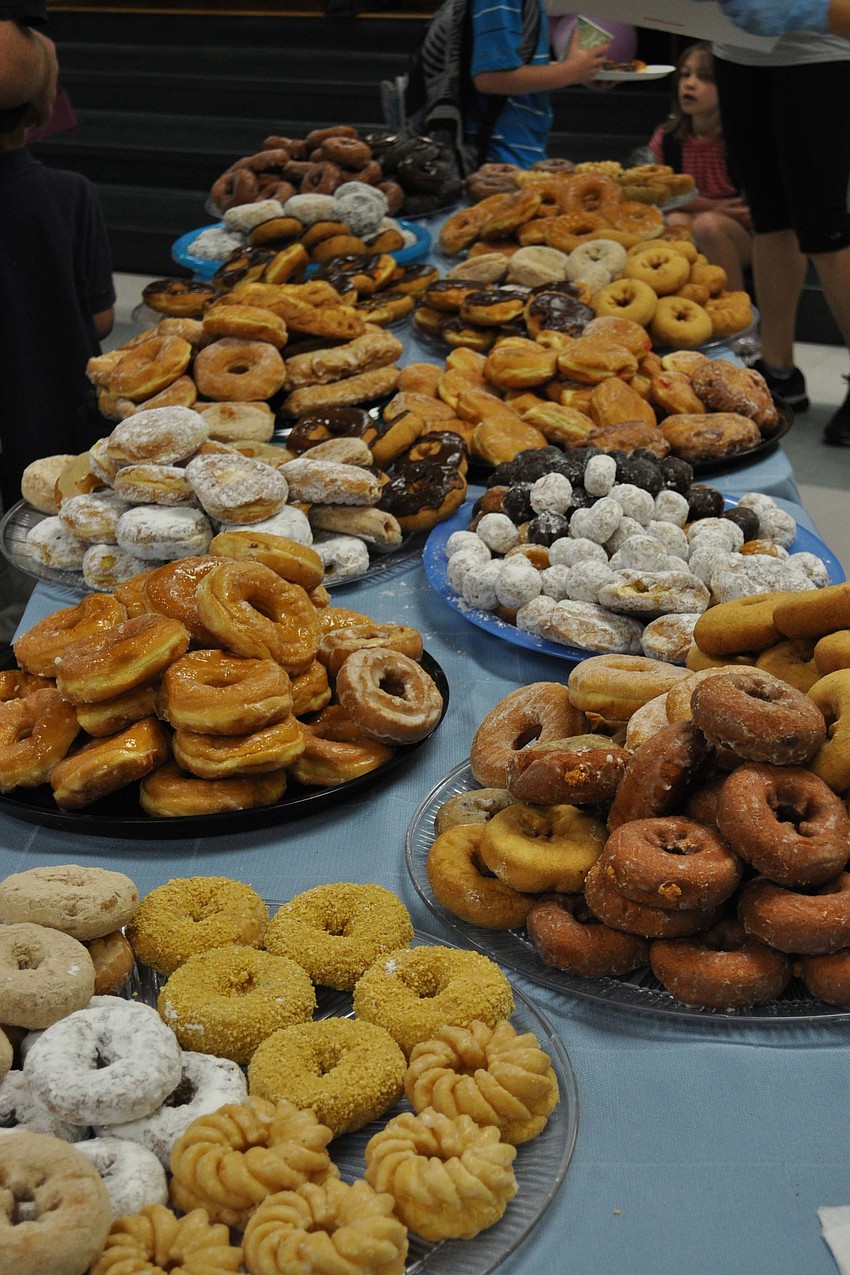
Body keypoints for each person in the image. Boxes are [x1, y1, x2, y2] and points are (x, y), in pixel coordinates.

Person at [0, 35, 115, 628]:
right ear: (41, 108)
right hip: (52, 411)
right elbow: (101, 319)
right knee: (48, 545)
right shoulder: (71, 194)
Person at [710, 28, 850, 443]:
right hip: (737, 50)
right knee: (770, 220)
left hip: (819, 53)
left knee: (826, 228)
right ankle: (779, 370)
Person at [646, 42, 751, 293]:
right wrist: (713, 206)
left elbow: (746, 209)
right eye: (685, 74)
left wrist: (709, 211)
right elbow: (657, 193)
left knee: (708, 226)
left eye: (704, 77)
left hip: (742, 235)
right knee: (675, 220)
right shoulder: (668, 137)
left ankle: (735, 307)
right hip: (694, 219)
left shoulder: (741, 141)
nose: (690, 84)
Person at [467, 0, 611, 167]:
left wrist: (580, 71)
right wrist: (570, 72)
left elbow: (507, 66)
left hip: (511, 148)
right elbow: (489, 78)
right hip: (498, 153)